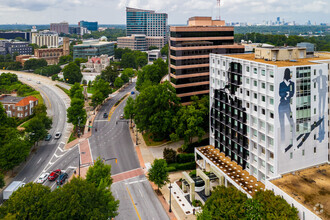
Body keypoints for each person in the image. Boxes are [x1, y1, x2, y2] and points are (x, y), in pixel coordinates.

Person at [278, 68, 295, 149]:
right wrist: (286, 95)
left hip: (288, 107)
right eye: (290, 73)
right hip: (281, 107)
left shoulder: (292, 84)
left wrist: (286, 95)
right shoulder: (281, 84)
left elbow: (292, 93)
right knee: (282, 126)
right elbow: (280, 93)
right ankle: (283, 145)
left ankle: (294, 142)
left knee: (292, 123)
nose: (291, 75)